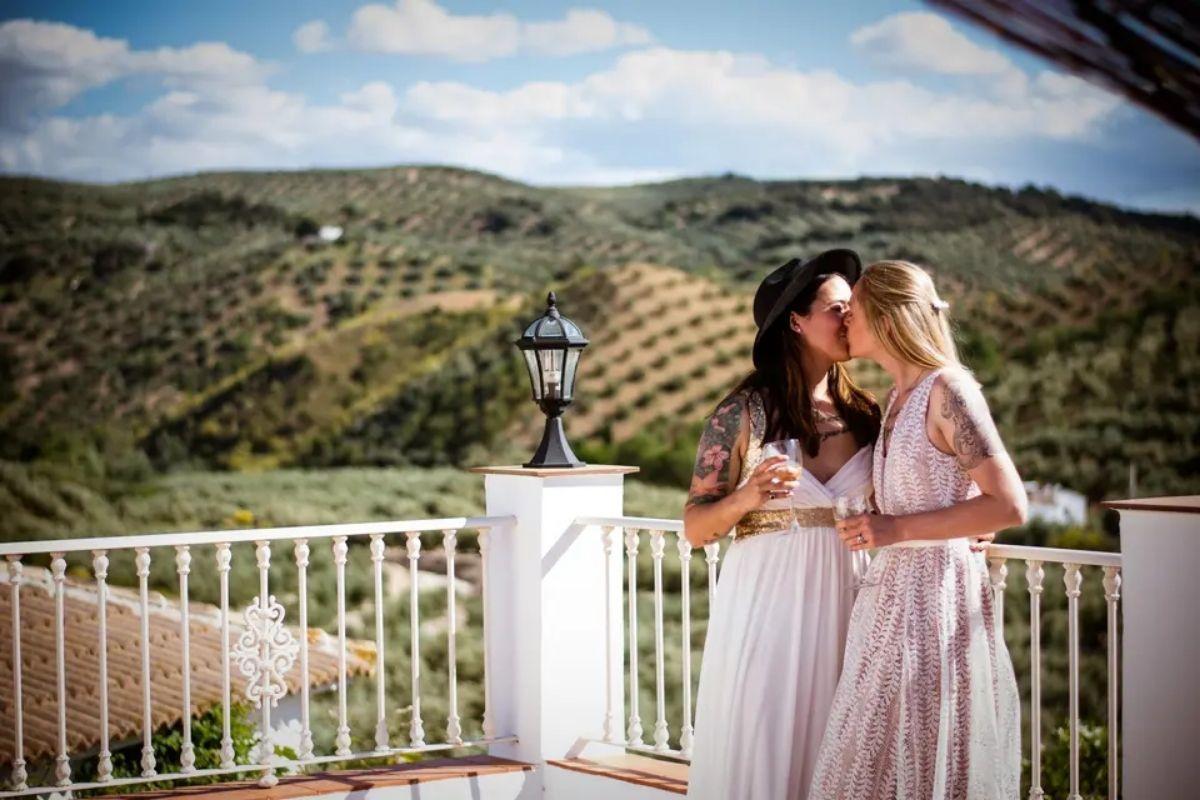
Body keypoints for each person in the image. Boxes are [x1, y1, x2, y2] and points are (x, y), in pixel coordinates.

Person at [809, 259, 1024, 799]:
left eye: (852, 313)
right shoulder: (897, 402)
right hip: (889, 606)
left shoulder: (948, 390)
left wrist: (896, 529)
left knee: (930, 757)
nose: (844, 324)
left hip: (937, 604)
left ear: (884, 320)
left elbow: (1010, 504)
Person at [684, 249, 881, 800]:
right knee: (768, 742)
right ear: (796, 321)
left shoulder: (867, 414)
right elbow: (696, 528)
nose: (850, 319)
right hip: (770, 609)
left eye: (853, 307)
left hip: (853, 600)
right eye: (837, 307)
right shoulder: (742, 414)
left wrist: (964, 532)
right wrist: (747, 495)